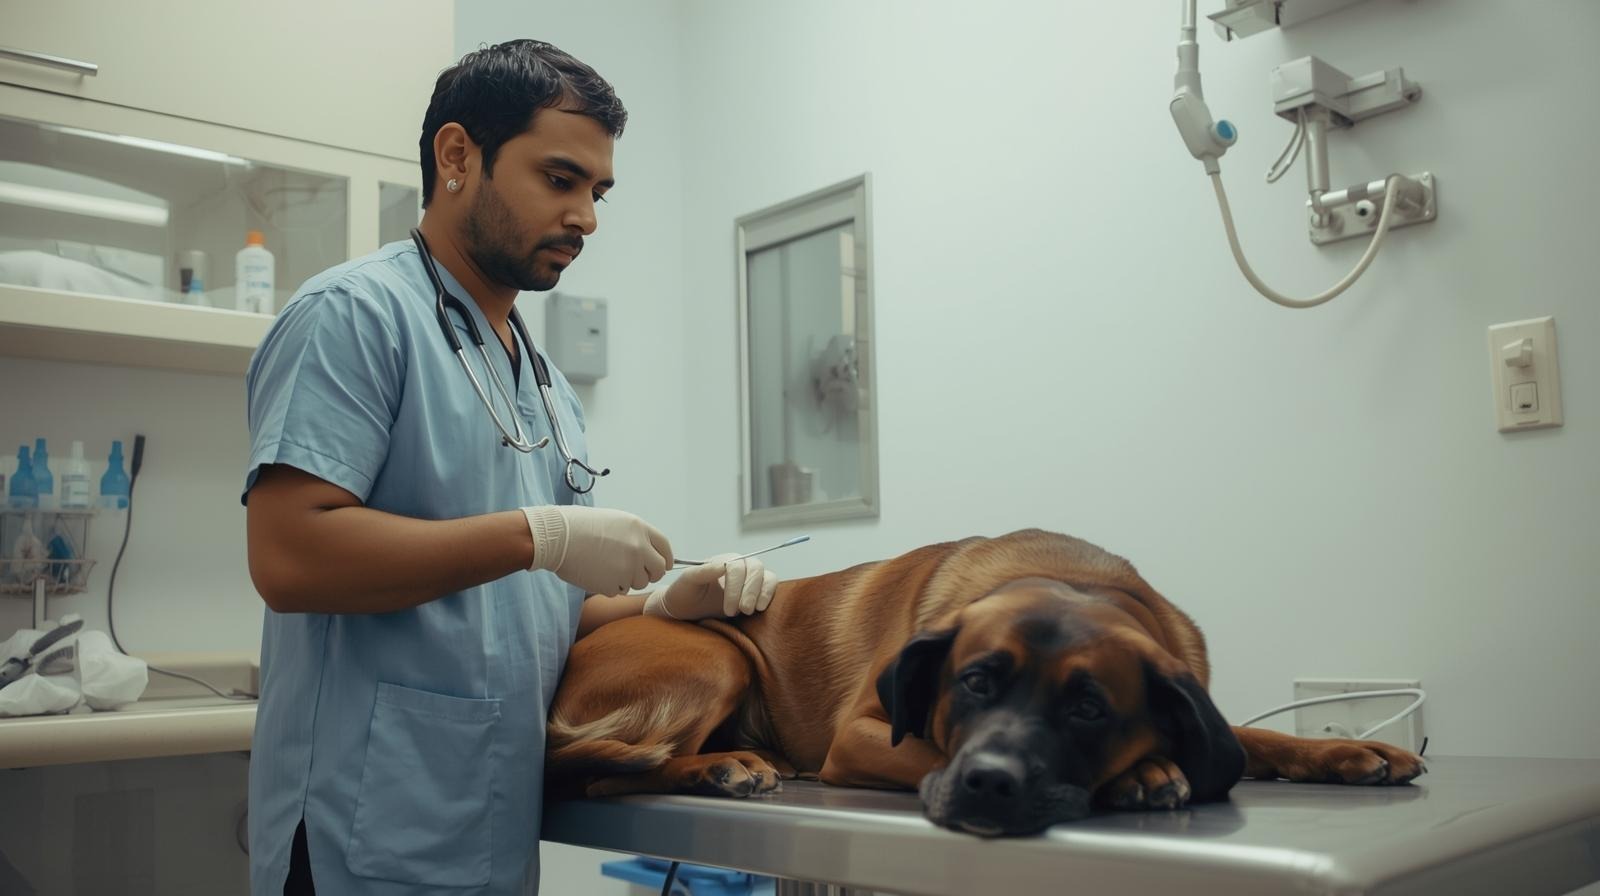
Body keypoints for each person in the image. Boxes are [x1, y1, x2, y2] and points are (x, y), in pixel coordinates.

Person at [241, 39, 778, 895]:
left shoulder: (542, 379)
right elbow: (290, 557)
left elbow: (540, 603)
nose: (587, 218)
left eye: (597, 192)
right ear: (457, 155)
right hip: (365, 826)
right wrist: (542, 534)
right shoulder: (353, 316)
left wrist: (667, 603)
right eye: (559, 180)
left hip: (487, 828)